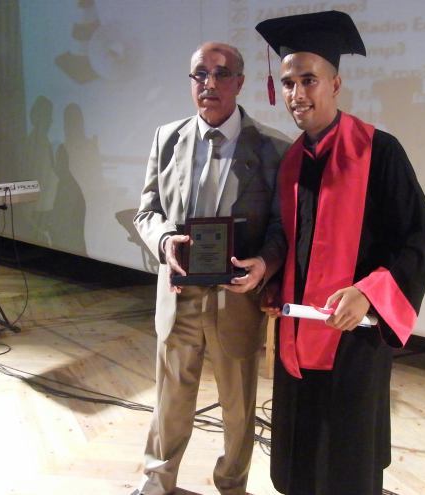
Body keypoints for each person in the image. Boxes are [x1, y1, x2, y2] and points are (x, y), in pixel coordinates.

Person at [255, 11, 425, 495]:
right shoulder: (292, 161)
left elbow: (416, 238)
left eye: (308, 80)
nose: (297, 94)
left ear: (335, 84)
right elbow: (294, 242)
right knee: (301, 461)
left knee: (346, 465)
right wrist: (275, 283)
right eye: (288, 83)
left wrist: (369, 293)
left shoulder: (380, 152)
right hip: (297, 333)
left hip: (354, 338)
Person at [132, 42, 291, 495]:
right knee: (170, 398)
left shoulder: (273, 148)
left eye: (221, 74)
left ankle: (232, 485)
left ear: (240, 82)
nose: (209, 83)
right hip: (179, 292)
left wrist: (265, 264)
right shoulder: (167, 138)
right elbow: (148, 211)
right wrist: (165, 240)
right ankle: (157, 479)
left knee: (238, 407)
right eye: (200, 74)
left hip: (237, 299)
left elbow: (281, 227)